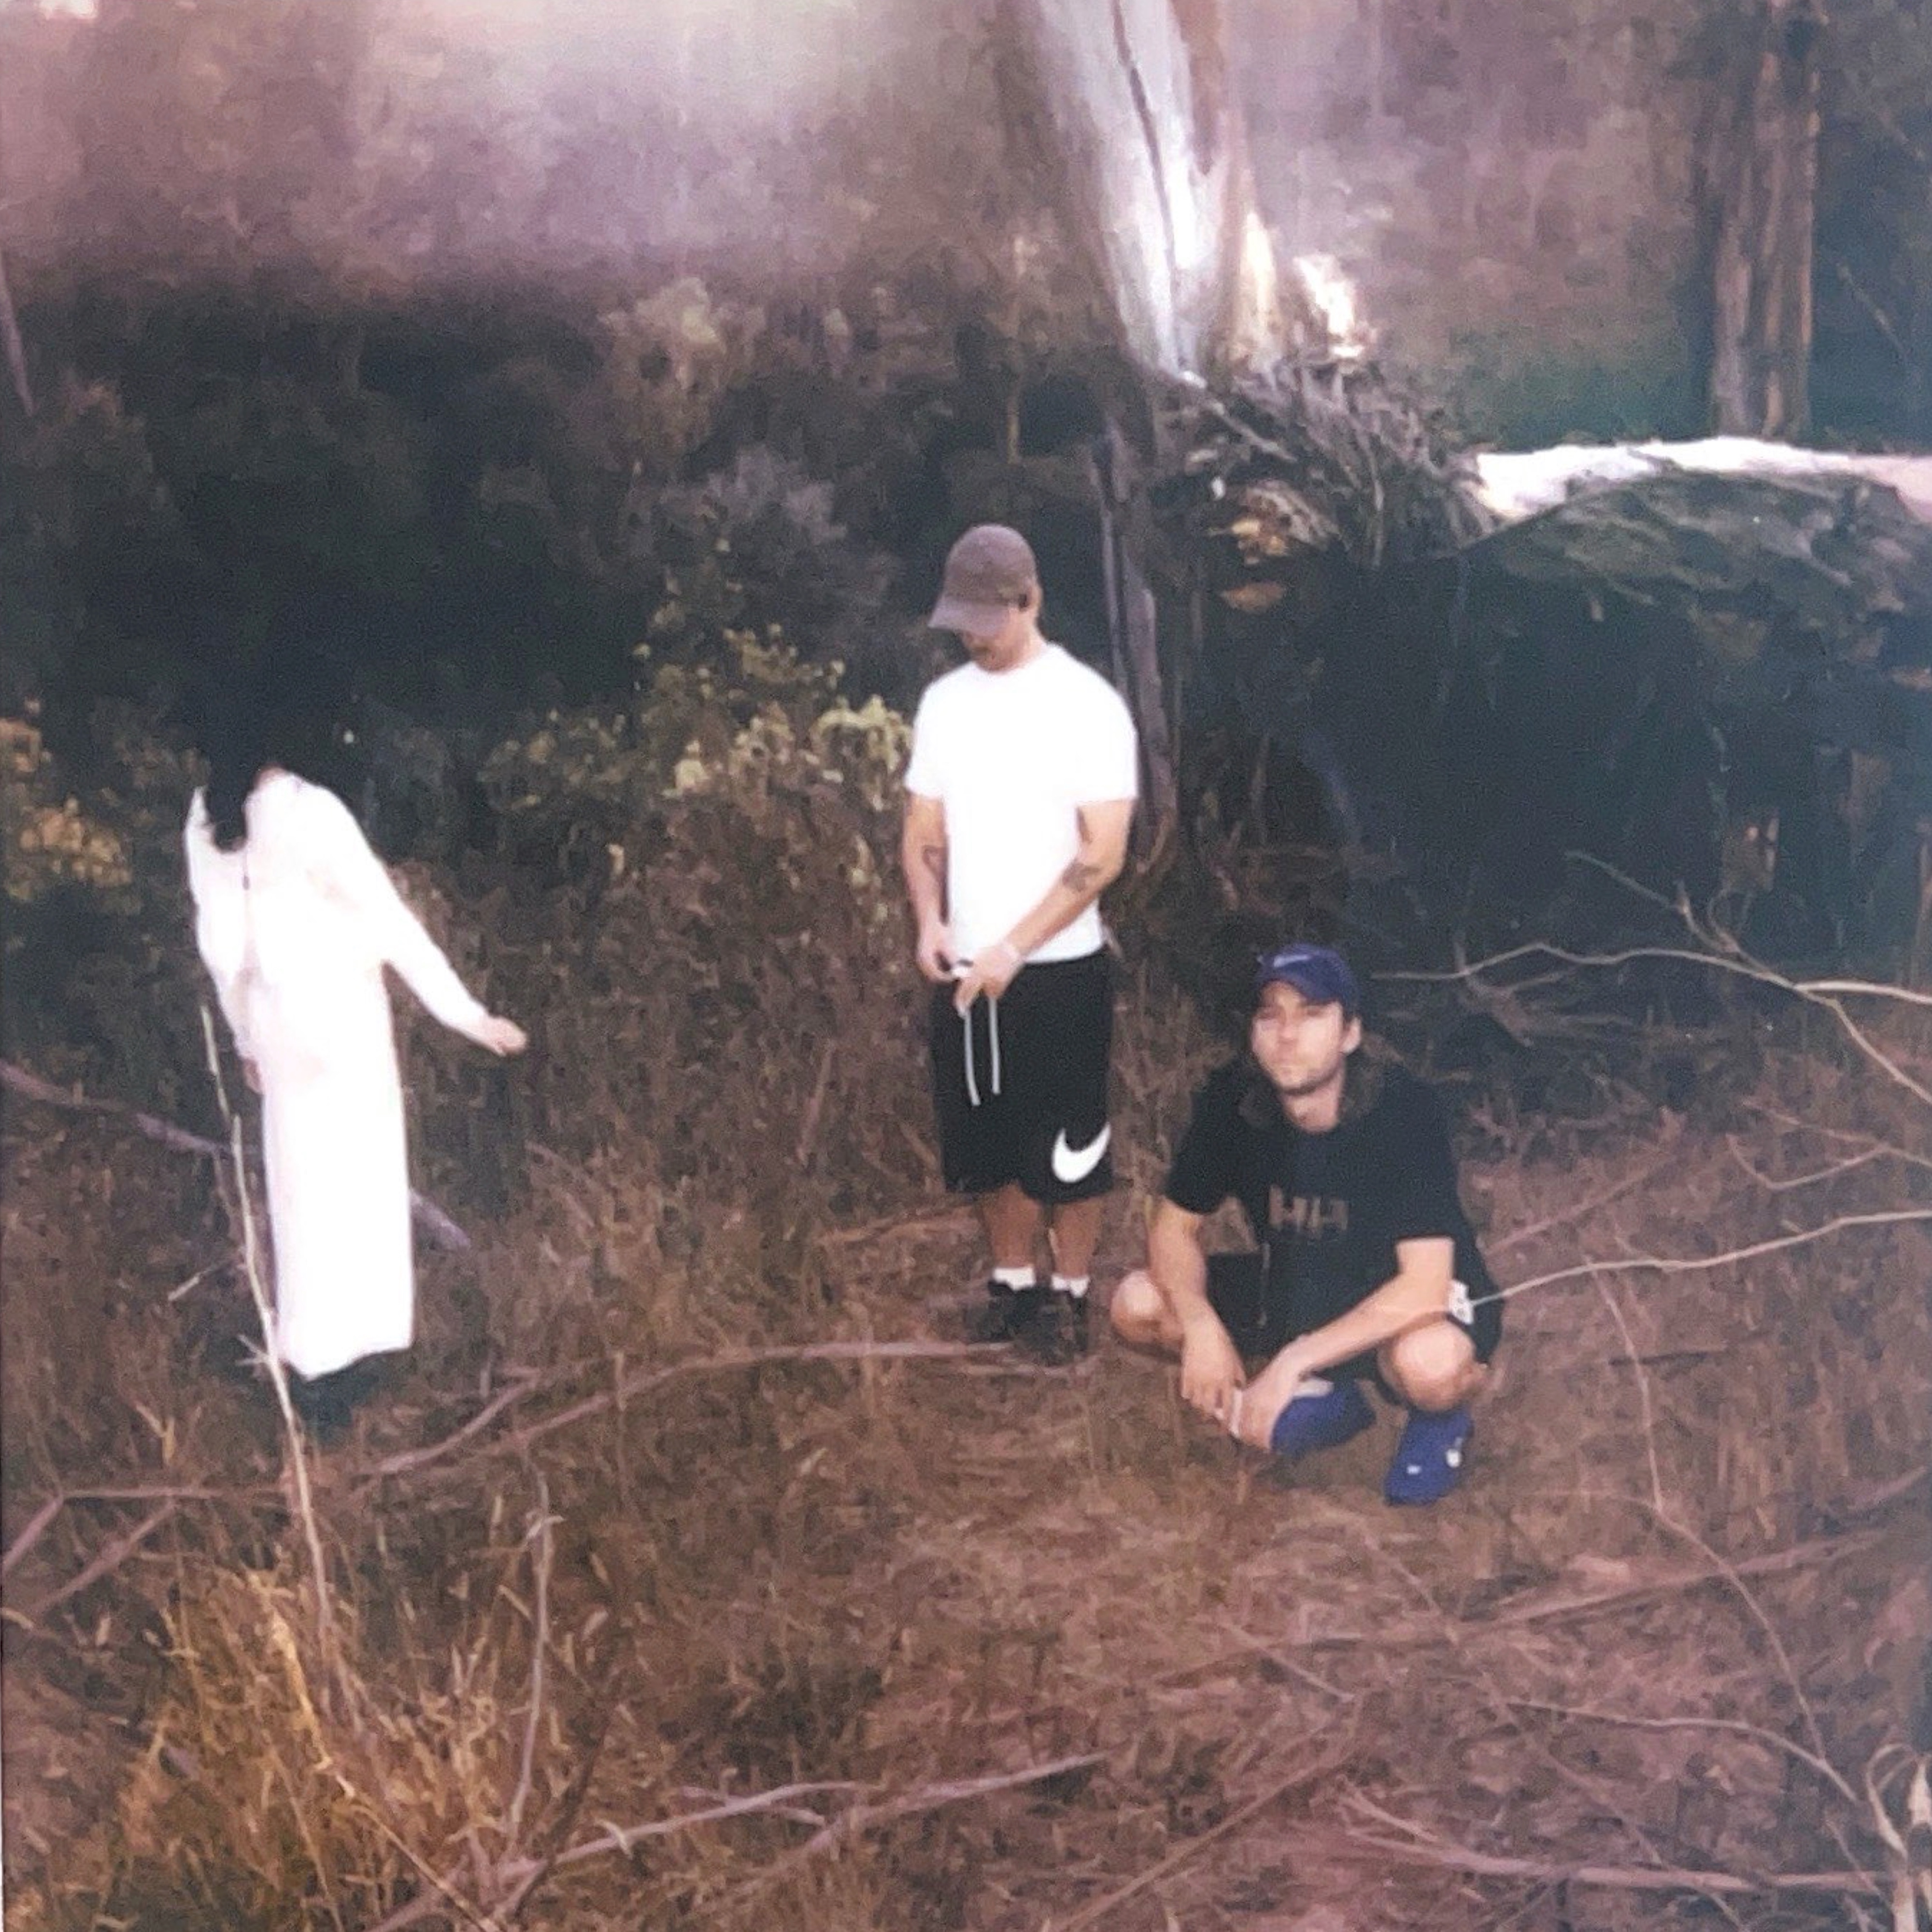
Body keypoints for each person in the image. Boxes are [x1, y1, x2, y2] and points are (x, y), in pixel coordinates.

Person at [185, 680, 526, 1440]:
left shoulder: (207, 819)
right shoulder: (311, 811)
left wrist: (244, 1038)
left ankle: (315, 1371)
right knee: (361, 1180)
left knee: (299, 1188)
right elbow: (390, 921)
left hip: (274, 1019)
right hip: (339, 1015)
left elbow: (222, 948)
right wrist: (465, 1014)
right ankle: (359, 1362)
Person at [1110, 943, 1501, 1503]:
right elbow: (1174, 1228)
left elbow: (1423, 1285)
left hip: (1408, 1303)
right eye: (1271, 1016)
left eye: (1312, 1015)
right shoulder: (1233, 1100)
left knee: (1431, 1364)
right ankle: (1324, 1399)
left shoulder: (1401, 1109)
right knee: (1138, 1302)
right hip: (1298, 1287)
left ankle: (1438, 1418)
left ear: (1350, 1033)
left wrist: (1292, 1360)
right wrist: (1200, 1326)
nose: (1288, 1035)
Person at [901, 524, 1138, 1361]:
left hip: (1058, 971)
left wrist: (1016, 947)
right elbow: (923, 832)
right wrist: (931, 922)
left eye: (988, 619)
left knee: (1068, 1148)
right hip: (967, 972)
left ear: (1030, 601)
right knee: (988, 1141)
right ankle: (1012, 1285)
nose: (974, 637)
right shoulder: (944, 705)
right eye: (961, 621)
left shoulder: (1087, 705)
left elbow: (1103, 854)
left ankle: (1069, 1299)